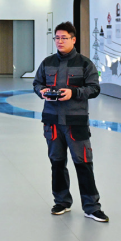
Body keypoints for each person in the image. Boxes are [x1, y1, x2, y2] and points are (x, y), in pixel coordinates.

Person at [32, 21, 108, 222]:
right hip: (52, 122)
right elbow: (37, 83)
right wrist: (42, 91)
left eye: (64, 38)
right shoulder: (47, 62)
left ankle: (92, 207)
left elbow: (94, 88)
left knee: (83, 164)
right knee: (57, 163)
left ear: (73, 40)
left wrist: (73, 93)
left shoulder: (85, 64)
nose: (60, 41)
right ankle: (62, 202)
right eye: (57, 38)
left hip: (76, 123)